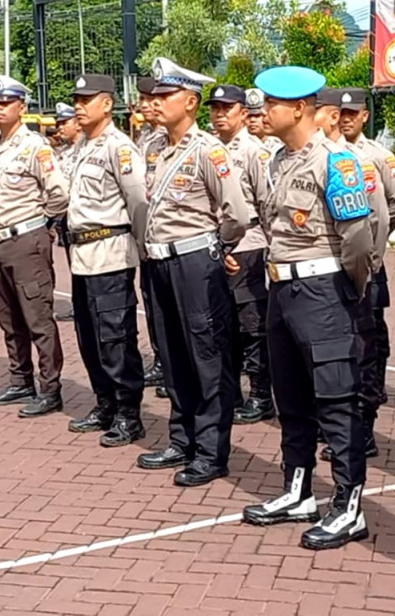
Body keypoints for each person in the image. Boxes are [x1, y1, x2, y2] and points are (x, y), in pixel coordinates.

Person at [239, 66, 376, 549]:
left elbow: (359, 239)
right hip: (282, 290)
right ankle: (298, 490)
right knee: (291, 398)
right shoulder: (278, 161)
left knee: (337, 400)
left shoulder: (335, 162)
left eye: (272, 105)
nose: (263, 113)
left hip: (323, 291)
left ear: (300, 108)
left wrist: (348, 288)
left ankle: (348, 505)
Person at [135, 57, 250, 487]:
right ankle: (181, 439)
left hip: (195, 262)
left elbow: (236, 213)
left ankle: (210, 451)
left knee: (207, 356)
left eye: (166, 96)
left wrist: (217, 245)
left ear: (191, 101)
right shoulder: (155, 147)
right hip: (160, 262)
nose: (157, 102)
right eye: (157, 95)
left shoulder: (208, 150)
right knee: (172, 353)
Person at [62, 74, 150, 446]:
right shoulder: (82, 145)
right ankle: (105, 404)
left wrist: (141, 249)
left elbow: (139, 204)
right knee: (89, 336)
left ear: (107, 104)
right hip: (81, 255)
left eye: (87, 100)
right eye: (77, 100)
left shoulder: (120, 147)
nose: (79, 107)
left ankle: (129, 413)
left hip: (110, 252)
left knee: (115, 337)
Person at [0, 75, 70, 416]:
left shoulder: (35, 147)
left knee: (37, 317)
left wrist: (43, 223)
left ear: (22, 107)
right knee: (8, 317)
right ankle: (21, 380)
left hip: (26, 240)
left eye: (6, 103)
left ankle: (50, 387)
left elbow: (59, 193)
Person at [335, 87, 395, 460]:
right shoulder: (327, 154)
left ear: (364, 116)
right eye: (341, 112)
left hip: (370, 262)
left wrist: (375, 235)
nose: (346, 118)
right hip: (334, 264)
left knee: (370, 336)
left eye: (353, 113)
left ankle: (369, 403)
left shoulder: (378, 157)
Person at [207, 84, 274, 424]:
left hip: (249, 248)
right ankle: (230, 391)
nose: (219, 115)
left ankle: (261, 394)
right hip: (218, 246)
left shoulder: (255, 153)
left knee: (253, 327)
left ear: (243, 114)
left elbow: (267, 206)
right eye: (215, 109)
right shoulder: (209, 150)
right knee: (224, 325)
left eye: (226, 109)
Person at [134, 77, 168, 393]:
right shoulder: (146, 139)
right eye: (142, 99)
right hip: (148, 236)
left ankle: (169, 364)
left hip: (171, 238)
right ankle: (161, 358)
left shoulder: (168, 139)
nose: (146, 105)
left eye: (151, 98)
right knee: (152, 301)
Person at [52, 101, 84, 322]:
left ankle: (83, 304)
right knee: (72, 264)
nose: (60, 127)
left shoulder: (84, 148)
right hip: (65, 219)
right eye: (58, 123)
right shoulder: (62, 153)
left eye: (64, 122)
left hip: (82, 217)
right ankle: (78, 303)